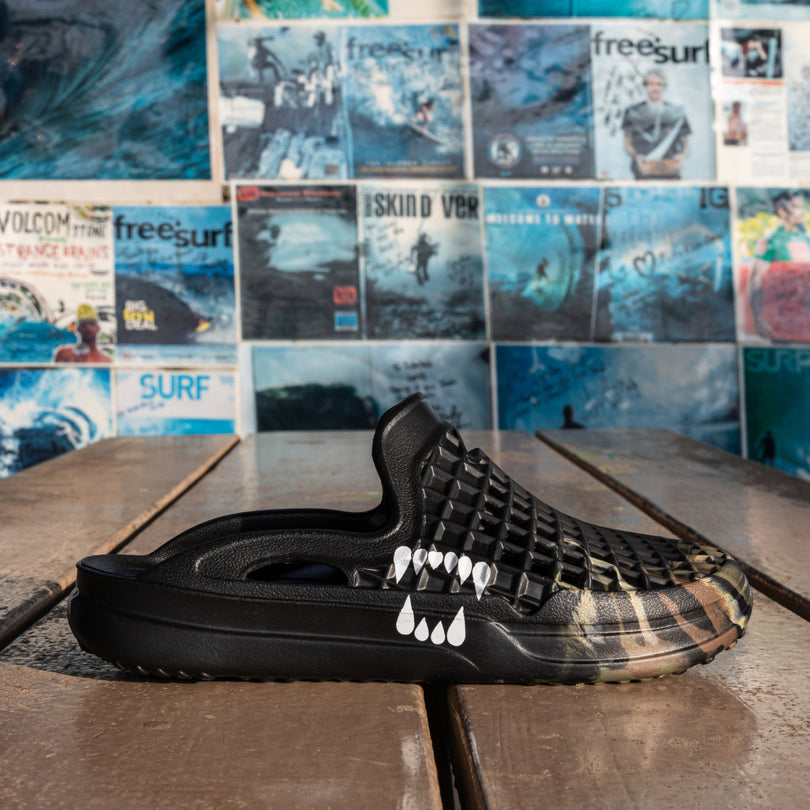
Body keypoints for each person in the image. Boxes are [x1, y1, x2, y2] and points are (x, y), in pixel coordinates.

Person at [749, 191, 810, 339]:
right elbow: (755, 280)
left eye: (802, 207)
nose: (802, 212)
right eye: (796, 207)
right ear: (782, 212)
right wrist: (758, 319)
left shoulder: (805, 239)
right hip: (784, 319)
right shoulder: (772, 241)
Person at [622, 69, 691, 180]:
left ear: (664, 86)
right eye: (651, 84)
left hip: (670, 171)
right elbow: (627, 143)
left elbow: (686, 145)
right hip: (643, 171)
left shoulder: (676, 113)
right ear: (646, 86)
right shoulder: (633, 112)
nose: (655, 88)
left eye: (659, 84)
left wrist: (681, 157)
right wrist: (637, 157)